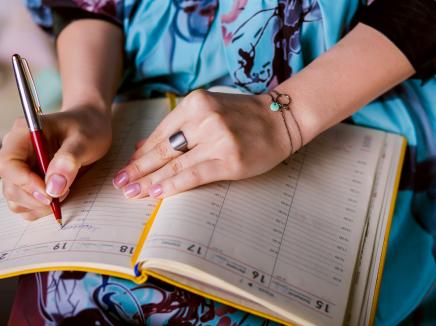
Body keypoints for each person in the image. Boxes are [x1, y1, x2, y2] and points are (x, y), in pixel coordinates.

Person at [1, 0, 435, 324]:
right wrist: (87, 104)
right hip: (136, 99)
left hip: (355, 98)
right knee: (64, 296)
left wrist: (289, 118)